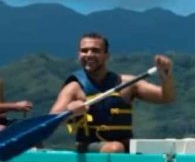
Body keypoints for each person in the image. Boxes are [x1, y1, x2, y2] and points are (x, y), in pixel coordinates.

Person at [48, 33, 176, 152]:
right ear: (79, 55)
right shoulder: (73, 88)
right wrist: (69, 112)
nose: (89, 54)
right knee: (115, 148)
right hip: (89, 146)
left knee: (159, 149)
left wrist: (166, 77)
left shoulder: (127, 83)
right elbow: (50, 121)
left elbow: (166, 97)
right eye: (84, 50)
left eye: (95, 51)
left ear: (106, 56)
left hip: (125, 144)